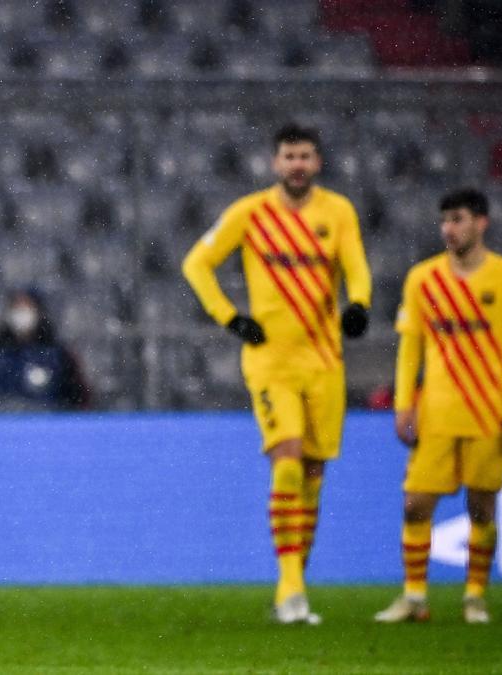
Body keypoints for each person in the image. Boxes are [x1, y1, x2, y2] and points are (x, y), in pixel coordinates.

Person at [182, 124, 372, 624]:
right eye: (289, 156)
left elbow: (356, 267)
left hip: (325, 362)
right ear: (275, 164)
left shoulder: (339, 212)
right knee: (286, 461)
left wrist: (359, 304)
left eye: (305, 156)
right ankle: (290, 590)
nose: (297, 164)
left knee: (312, 476)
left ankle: (293, 588)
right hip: (271, 364)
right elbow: (196, 264)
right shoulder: (250, 213)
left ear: (318, 163)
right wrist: (231, 317)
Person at [374, 188, 502, 625]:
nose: (449, 228)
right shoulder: (422, 278)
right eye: (445, 220)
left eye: (458, 219)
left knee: (481, 507)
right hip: (437, 412)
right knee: (415, 504)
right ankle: (413, 597)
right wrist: (403, 404)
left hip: (489, 411)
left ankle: (474, 596)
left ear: (481, 223)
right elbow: (410, 347)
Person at [0, 289, 90, 411]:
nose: (22, 314)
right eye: (17, 308)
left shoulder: (60, 355)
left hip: (47, 427)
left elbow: (78, 400)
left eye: (27, 308)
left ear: (39, 312)